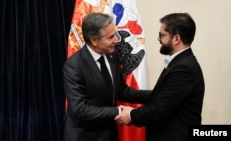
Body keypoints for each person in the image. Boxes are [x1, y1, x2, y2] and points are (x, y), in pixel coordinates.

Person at [115, 12, 205, 141]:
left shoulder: (184, 68)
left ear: (176, 39)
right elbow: (162, 96)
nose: (158, 39)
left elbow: (160, 111)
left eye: (162, 35)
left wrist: (131, 114)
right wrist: (125, 93)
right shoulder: (180, 62)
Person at [62, 12, 149, 141]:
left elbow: (121, 91)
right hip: (84, 136)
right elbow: (79, 109)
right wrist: (118, 112)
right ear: (94, 40)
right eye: (110, 37)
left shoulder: (112, 56)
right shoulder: (74, 65)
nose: (116, 40)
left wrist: (156, 94)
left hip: (108, 134)